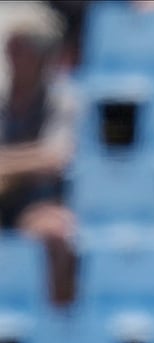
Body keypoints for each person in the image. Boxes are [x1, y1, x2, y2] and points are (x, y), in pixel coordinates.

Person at [0, 2, 77, 308]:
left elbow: (56, 157)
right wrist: (25, 163)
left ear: (41, 55)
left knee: (58, 231)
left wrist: (5, 165)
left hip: (33, 206)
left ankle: (55, 324)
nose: (11, 55)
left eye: (20, 48)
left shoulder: (63, 100)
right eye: (10, 47)